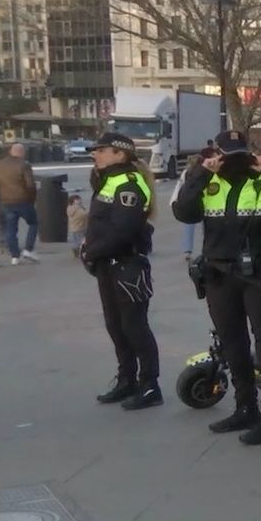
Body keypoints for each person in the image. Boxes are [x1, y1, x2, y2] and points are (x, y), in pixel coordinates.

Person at [173, 130, 261, 444]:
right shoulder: (208, 180)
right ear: (217, 153)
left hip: (258, 274)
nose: (234, 161)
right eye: (228, 155)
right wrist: (201, 172)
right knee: (232, 344)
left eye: (239, 154)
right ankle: (245, 408)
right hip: (218, 275)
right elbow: (183, 211)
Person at [80, 133, 162, 410]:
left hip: (127, 266)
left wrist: (91, 251)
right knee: (115, 325)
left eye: (101, 150)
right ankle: (127, 378)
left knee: (135, 327)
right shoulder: (108, 179)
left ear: (120, 153)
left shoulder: (129, 184)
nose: (95, 154)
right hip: (108, 265)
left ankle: (150, 384)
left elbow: (122, 231)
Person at [0, 142, 40, 266]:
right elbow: (30, 185)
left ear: (10, 152)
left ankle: (15, 256)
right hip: (23, 201)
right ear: (22, 152)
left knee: (10, 229)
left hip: (7, 202)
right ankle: (28, 249)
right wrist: (32, 199)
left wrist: (0, 196)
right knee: (33, 223)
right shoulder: (24, 165)